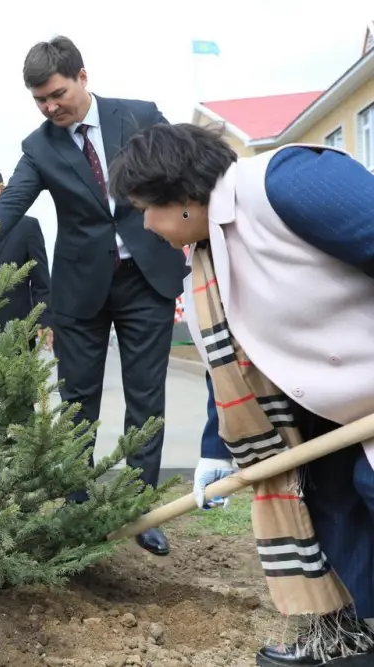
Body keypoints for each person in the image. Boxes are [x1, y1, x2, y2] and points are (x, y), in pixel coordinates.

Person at [108, 121, 374, 665]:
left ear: (182, 197)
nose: (144, 224)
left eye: (143, 208)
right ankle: (355, 640)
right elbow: (229, 356)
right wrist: (214, 449)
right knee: (327, 496)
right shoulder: (208, 255)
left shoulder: (284, 183)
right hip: (331, 402)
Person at [0, 36, 184, 556]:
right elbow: (14, 200)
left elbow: (180, 170)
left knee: (145, 398)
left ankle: (139, 510)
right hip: (80, 288)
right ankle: (76, 504)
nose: (51, 107)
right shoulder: (38, 146)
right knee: (77, 402)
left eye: (58, 94)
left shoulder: (139, 116)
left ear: (83, 77)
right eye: (40, 100)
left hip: (146, 278)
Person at [0, 167, 51, 350]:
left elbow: (41, 282)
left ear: (1, 190)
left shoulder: (27, 227)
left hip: (15, 333)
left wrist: (44, 321)